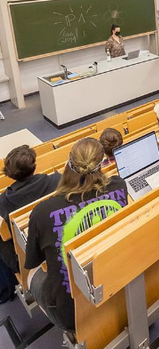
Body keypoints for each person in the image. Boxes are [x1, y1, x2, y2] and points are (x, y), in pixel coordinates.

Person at [25, 138, 128, 332]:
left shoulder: (42, 211)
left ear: (68, 164)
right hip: (115, 283)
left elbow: (33, 261)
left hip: (71, 313)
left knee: (33, 272)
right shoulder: (119, 186)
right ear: (102, 163)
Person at [0, 146, 60, 275]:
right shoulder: (56, 180)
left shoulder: (3, 202)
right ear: (34, 165)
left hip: (29, 254)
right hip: (56, 236)